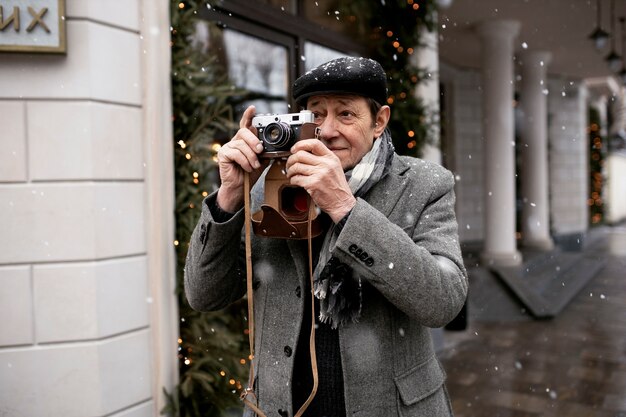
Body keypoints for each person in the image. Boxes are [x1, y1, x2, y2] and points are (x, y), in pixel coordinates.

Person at [185, 56, 468, 417]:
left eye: (346, 114)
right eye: (316, 115)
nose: (327, 130)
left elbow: (443, 301)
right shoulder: (267, 188)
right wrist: (228, 196)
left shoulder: (423, 184)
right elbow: (204, 294)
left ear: (379, 121)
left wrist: (345, 208)